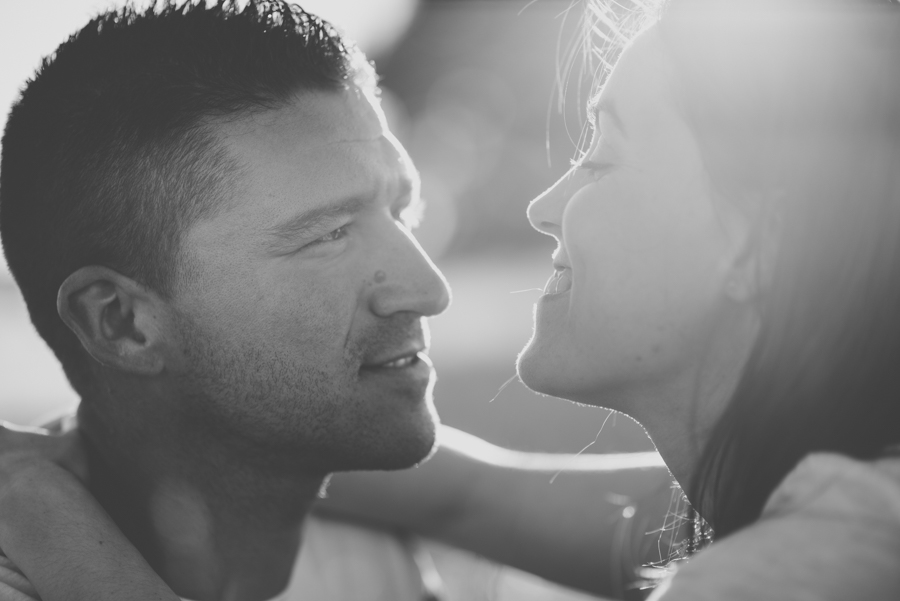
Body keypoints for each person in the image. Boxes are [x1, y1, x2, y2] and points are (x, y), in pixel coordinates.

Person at [6, 0, 900, 599]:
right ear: (120, 320)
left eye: (606, 157)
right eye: (327, 233)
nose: (430, 287)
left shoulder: (802, 570)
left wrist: (55, 528)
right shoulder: (819, 501)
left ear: (753, 241)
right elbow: (470, 495)